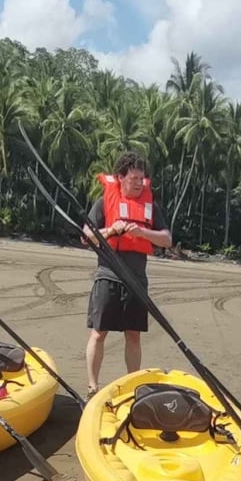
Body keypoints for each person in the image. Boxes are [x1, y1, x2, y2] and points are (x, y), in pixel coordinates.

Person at [84, 151, 173, 397]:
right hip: (108, 274)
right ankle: (92, 386)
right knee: (99, 332)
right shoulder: (104, 203)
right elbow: (86, 235)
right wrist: (111, 230)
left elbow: (167, 239)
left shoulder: (151, 206)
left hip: (136, 279)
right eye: (133, 178)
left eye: (141, 179)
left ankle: (131, 385)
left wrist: (144, 233)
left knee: (133, 335)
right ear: (120, 177)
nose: (138, 183)